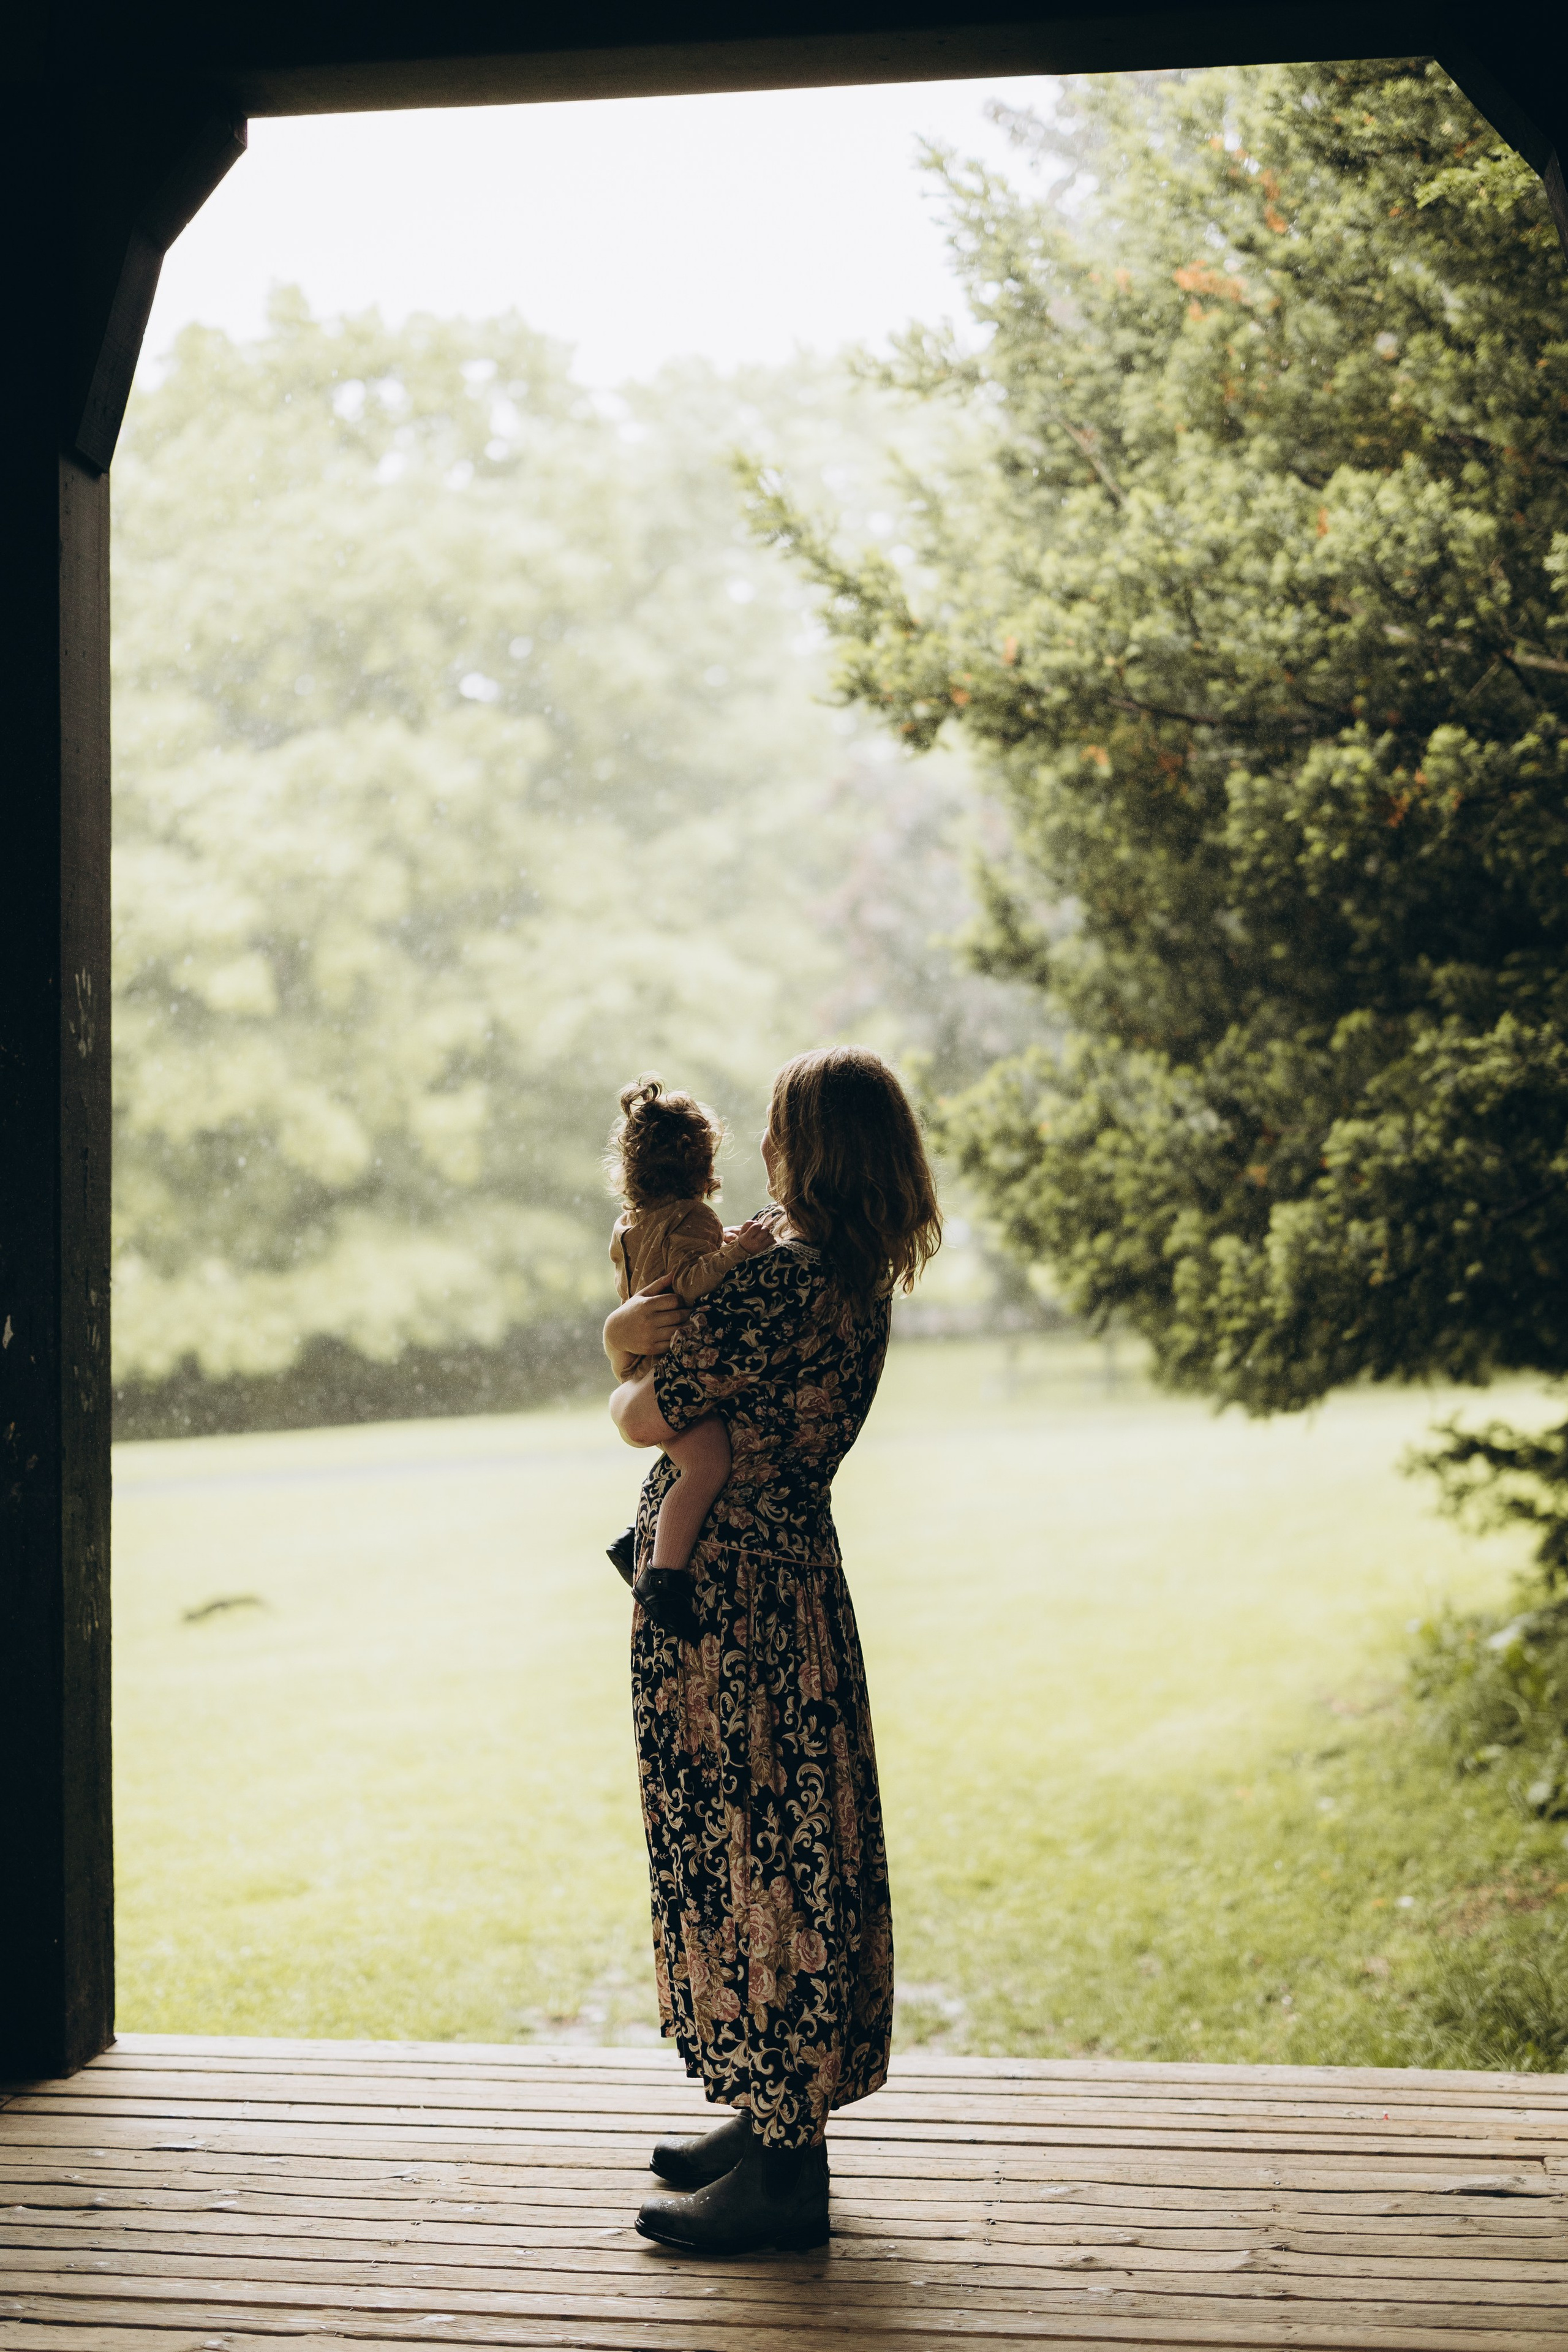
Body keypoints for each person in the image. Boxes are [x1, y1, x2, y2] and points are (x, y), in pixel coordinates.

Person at [604, 1044, 941, 2257]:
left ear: (806, 1150)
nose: (759, 1148)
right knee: (780, 1842)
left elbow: (649, 1409)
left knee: (758, 1849)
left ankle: (786, 2170)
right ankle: (767, 2114)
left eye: (777, 1129)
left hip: (732, 1611)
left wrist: (612, 1362)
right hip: (787, 1589)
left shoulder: (784, 1282)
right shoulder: (852, 1280)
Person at [601, 1076, 772, 1613]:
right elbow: (691, 1281)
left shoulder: (626, 1226)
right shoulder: (695, 1217)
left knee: (684, 1460)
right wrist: (737, 1252)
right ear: (702, 1162)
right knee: (709, 1465)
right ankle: (661, 1576)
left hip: (638, 1369)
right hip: (673, 1369)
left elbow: (650, 1271)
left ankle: (641, 1540)